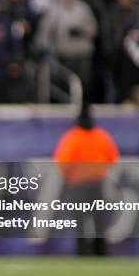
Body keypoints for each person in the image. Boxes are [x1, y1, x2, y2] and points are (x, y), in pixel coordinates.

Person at [53, 102, 119, 255]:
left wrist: (75, 173)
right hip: (97, 183)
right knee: (100, 222)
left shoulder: (72, 137)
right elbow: (113, 157)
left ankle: (83, 254)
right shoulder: (101, 136)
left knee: (81, 223)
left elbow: (63, 163)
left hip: (78, 185)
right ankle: (101, 253)